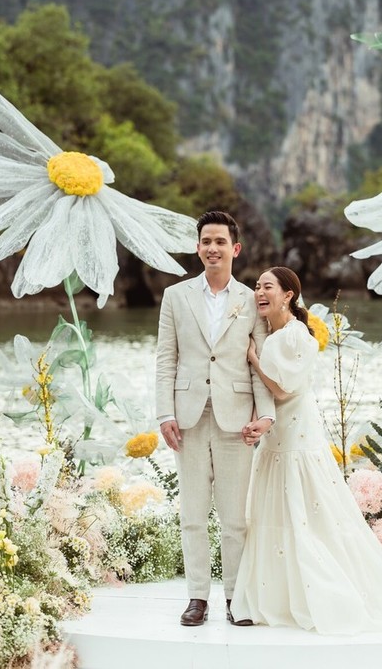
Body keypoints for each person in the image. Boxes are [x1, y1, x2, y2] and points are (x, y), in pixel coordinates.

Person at [231, 266, 382, 634]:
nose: (259, 292)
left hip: (297, 433)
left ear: (288, 295)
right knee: (276, 511)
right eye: (256, 287)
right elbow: (263, 393)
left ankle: (323, 591)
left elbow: (282, 391)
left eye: (268, 287)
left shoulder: (298, 336)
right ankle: (275, 594)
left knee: (307, 510)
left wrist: (253, 358)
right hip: (274, 434)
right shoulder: (268, 331)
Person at [156, 210, 275, 627]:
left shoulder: (251, 300)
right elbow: (166, 359)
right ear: (197, 247)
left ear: (235, 249)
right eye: (206, 241)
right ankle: (197, 598)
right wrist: (165, 412)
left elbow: (257, 363)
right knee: (192, 514)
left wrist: (267, 416)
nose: (212, 248)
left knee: (234, 518)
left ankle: (234, 597)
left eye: (220, 242)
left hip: (236, 418)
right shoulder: (175, 296)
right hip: (186, 418)